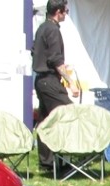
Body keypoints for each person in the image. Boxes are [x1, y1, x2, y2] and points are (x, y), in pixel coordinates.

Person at [32, 0, 79, 173]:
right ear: (58, 11)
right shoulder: (52, 30)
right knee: (67, 114)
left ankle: (47, 161)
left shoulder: (42, 27)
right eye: (65, 10)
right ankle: (63, 161)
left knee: (45, 120)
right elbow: (55, 59)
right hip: (49, 80)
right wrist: (71, 82)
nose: (66, 13)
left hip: (41, 80)